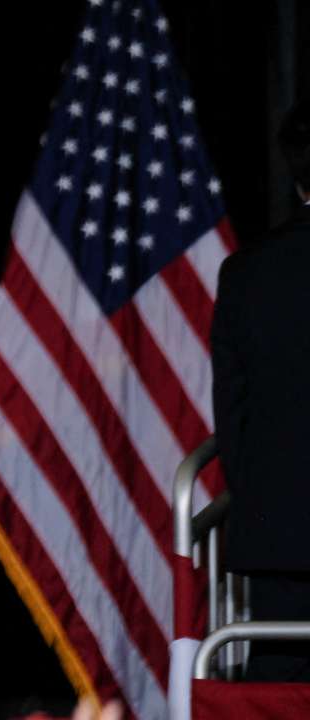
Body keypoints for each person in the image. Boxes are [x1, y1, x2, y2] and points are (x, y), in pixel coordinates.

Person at [211, 100, 310, 682]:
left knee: (276, 691)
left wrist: (264, 509)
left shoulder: (245, 274)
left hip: (279, 539)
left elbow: (234, 418)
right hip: (279, 537)